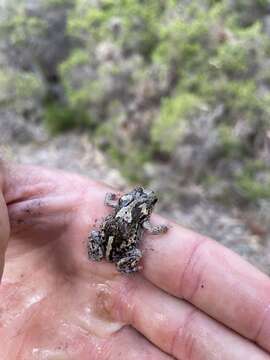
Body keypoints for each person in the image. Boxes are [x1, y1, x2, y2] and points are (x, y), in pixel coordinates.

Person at [0, 162, 269, 359]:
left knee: (99, 236)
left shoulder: (118, 204)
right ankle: (128, 265)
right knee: (137, 253)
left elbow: (107, 198)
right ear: (142, 207)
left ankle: (108, 254)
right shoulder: (138, 216)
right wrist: (163, 230)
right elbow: (154, 230)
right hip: (119, 253)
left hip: (104, 245)